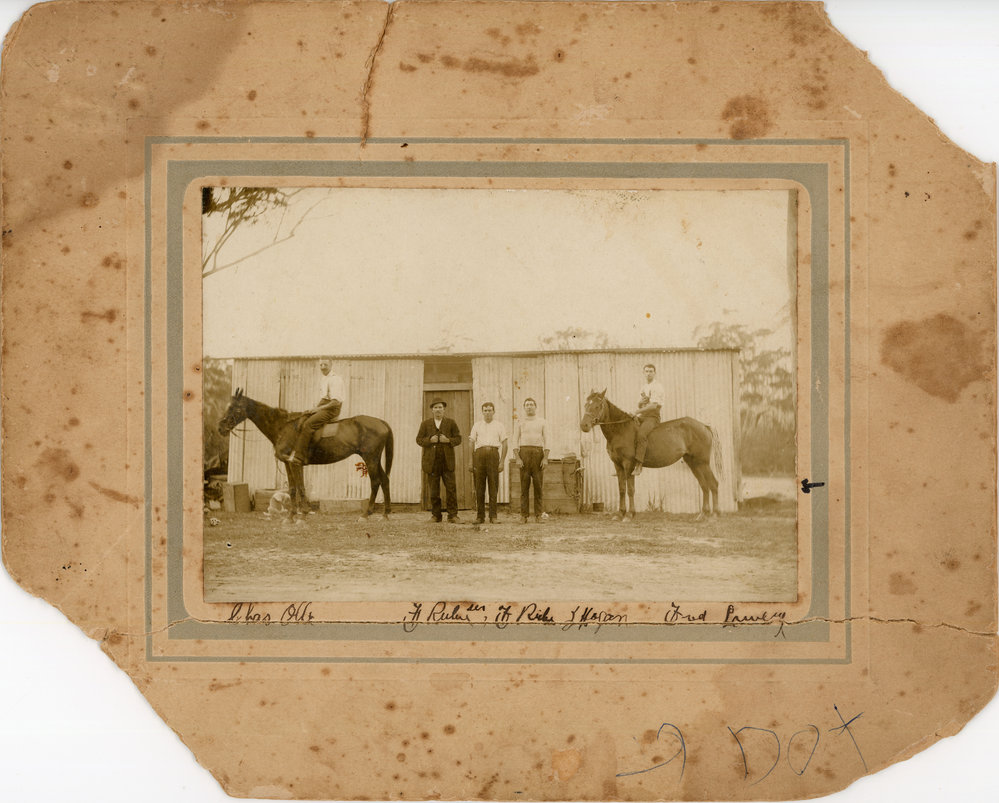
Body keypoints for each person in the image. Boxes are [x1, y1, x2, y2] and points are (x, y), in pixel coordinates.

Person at [286, 358, 345, 465]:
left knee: (308, 424)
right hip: (326, 405)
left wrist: (318, 409)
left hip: (332, 409)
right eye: (321, 365)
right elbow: (324, 398)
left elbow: (335, 402)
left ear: (331, 365)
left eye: (325, 365)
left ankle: (299, 456)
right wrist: (313, 409)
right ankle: (297, 449)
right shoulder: (324, 378)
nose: (322, 367)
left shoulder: (335, 379)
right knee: (304, 416)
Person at [416, 398, 463, 523]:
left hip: (447, 462)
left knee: (451, 488)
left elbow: (458, 438)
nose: (438, 410)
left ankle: (453, 515)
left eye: (440, 408)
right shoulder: (425, 424)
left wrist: (448, 441)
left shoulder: (451, 423)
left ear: (444, 410)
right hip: (432, 463)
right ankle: (436, 515)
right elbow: (419, 440)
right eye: (435, 408)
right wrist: (429, 441)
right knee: (434, 490)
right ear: (432, 410)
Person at [468, 401, 507, 525]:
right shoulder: (477, 425)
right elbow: (471, 443)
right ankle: (480, 517)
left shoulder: (499, 425)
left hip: (493, 456)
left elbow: (505, 444)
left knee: (493, 487)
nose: (487, 412)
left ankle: (493, 516)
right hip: (479, 456)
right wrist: (471, 460)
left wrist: (501, 462)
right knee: (479, 487)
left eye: (490, 410)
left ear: (494, 412)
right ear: (482, 412)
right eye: (485, 410)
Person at [512, 397, 548, 523]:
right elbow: (515, 440)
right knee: (524, 486)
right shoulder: (520, 421)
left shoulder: (542, 421)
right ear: (524, 407)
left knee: (538, 486)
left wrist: (545, 458)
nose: (529, 407)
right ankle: (524, 515)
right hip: (524, 454)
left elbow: (547, 440)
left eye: (531, 404)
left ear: (535, 407)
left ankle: (538, 515)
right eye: (527, 405)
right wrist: (517, 458)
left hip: (538, 453)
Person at [632, 363, 665, 476]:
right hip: (643, 416)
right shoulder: (644, 387)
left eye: (651, 371)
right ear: (643, 373)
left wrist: (637, 411)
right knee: (629, 428)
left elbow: (653, 405)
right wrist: (640, 403)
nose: (648, 373)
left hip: (652, 416)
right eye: (646, 371)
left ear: (655, 373)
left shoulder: (657, 386)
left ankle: (639, 465)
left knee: (641, 435)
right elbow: (640, 404)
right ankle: (628, 461)